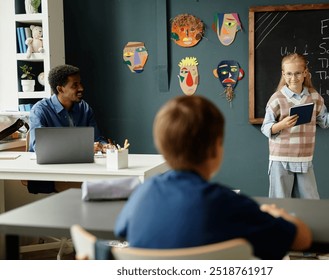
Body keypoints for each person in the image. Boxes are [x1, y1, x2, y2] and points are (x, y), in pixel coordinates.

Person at [115, 95, 312, 260]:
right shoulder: (229, 204)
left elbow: (121, 229)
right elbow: (302, 239)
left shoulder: (143, 192)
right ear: (216, 148)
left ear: (162, 148)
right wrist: (277, 214)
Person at [261, 53, 329, 199]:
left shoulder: (314, 97)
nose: (293, 78)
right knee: (281, 202)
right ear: (283, 74)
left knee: (311, 202)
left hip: (304, 158)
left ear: (305, 73)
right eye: (289, 74)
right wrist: (281, 125)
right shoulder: (277, 98)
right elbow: (266, 128)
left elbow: (324, 120)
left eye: (297, 73)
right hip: (280, 159)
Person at [27, 64, 106, 193]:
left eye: (80, 83)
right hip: (49, 174)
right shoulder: (40, 110)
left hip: (81, 170)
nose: (81, 88)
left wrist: (105, 146)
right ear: (60, 89)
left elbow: (96, 139)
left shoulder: (84, 108)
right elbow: (40, 148)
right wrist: (85, 148)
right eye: (75, 85)